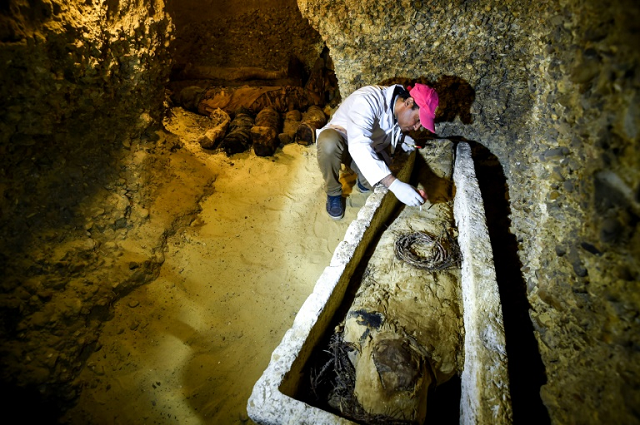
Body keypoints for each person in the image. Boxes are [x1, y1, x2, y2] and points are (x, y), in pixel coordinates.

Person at [316, 83, 439, 219]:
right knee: (328, 142)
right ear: (408, 102)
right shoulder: (368, 100)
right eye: (417, 120)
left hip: (368, 148)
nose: (416, 128)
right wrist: (394, 184)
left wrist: (402, 140)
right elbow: (358, 144)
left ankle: (363, 181)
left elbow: (386, 129)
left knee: (383, 186)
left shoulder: (396, 106)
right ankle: (333, 192)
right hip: (342, 142)